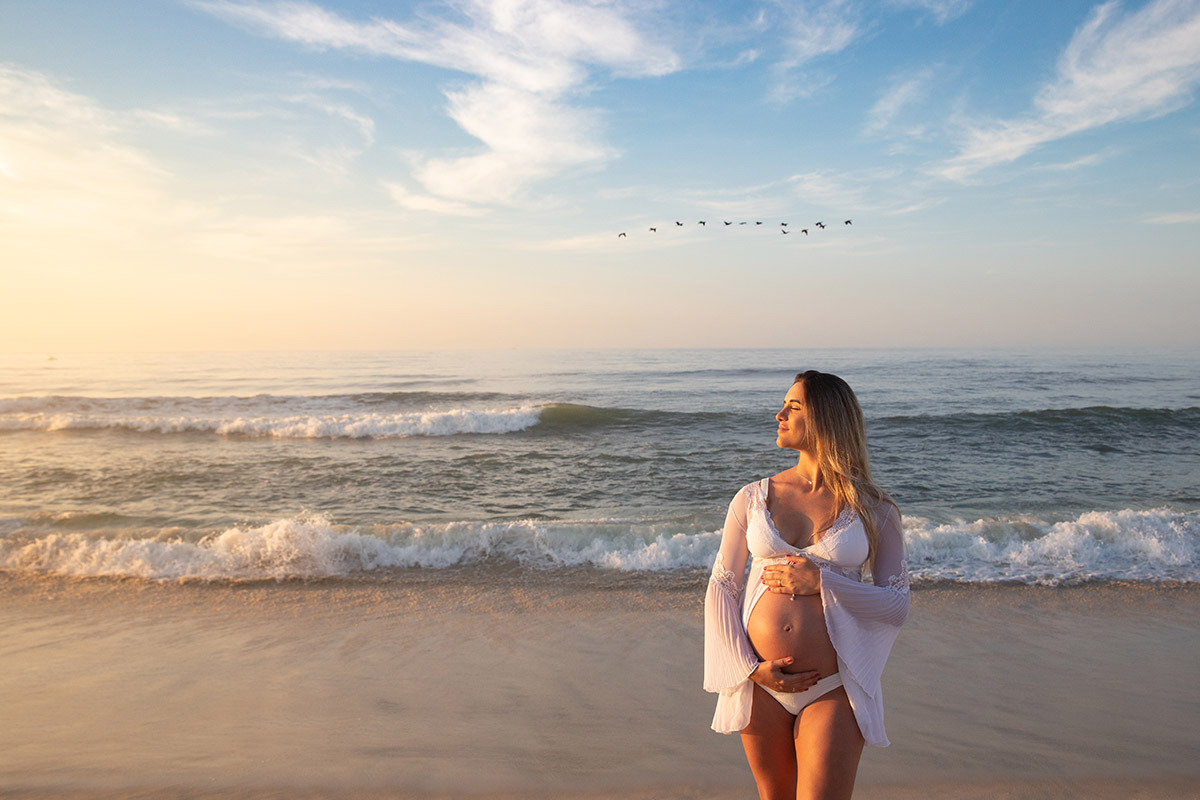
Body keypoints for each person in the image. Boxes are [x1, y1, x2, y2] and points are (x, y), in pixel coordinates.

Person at [704, 370, 909, 800]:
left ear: (826, 418)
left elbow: (896, 605)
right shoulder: (753, 497)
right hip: (762, 684)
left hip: (833, 686)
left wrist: (824, 582)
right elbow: (722, 587)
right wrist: (748, 669)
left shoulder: (875, 509)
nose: (779, 414)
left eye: (793, 407)